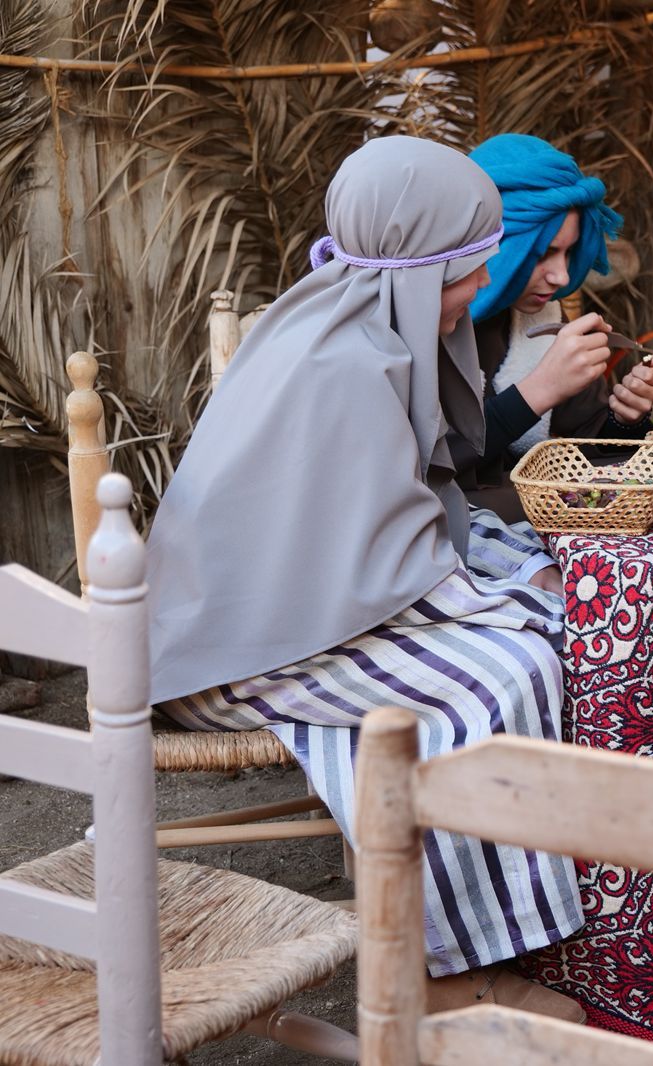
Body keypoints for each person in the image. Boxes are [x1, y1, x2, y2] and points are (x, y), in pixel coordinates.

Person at [144, 135, 584, 1018]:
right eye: (470, 267)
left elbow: (378, 535)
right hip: (239, 651)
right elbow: (382, 562)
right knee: (502, 678)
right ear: (419, 267)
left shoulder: (357, 317)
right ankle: (452, 971)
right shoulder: (345, 367)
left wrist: (515, 586)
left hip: (304, 602)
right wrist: (506, 607)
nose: (485, 279)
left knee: (548, 599)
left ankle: (498, 926)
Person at [463, 133, 653, 516]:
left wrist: (624, 420)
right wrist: (538, 391)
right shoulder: (429, 329)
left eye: (569, 252)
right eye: (545, 253)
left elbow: (589, 458)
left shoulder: (540, 318)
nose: (560, 276)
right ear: (497, 245)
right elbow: (427, 466)